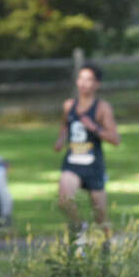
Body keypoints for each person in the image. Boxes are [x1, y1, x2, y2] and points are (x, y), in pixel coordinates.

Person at [52, 64, 119, 243]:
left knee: (100, 217)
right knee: (64, 199)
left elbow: (115, 139)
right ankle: (79, 226)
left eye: (89, 79)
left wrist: (95, 127)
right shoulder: (69, 105)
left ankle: (108, 245)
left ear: (97, 84)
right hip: (72, 162)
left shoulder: (102, 108)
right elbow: (65, 125)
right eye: (81, 78)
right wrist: (61, 140)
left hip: (93, 165)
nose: (83, 83)